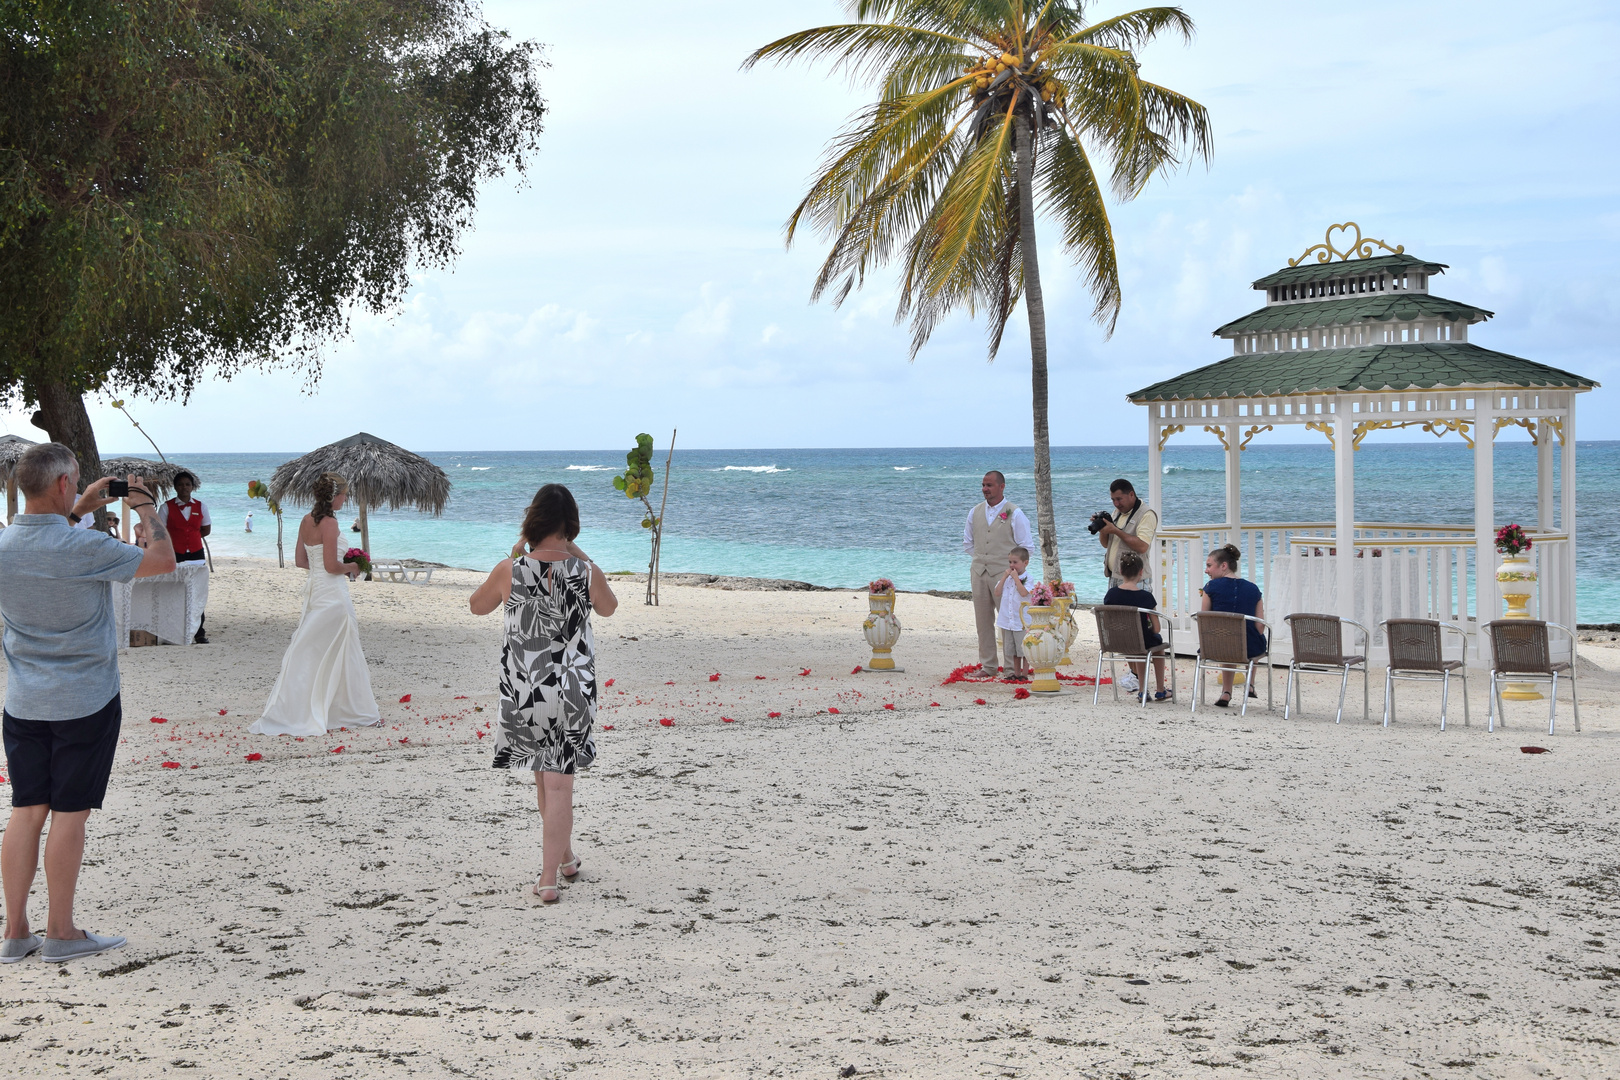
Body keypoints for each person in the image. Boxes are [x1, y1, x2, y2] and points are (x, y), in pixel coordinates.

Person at [0, 444, 176, 963]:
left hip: (25, 699)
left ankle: (15, 932)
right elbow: (162, 560)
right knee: (69, 814)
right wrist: (144, 506)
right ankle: (61, 932)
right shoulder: (84, 549)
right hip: (85, 699)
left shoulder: (5, 543)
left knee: (27, 810)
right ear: (60, 484)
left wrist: (77, 510)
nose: (79, 490)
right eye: (74, 484)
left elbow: (46, 534)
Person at [470, 484, 616, 904]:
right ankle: (557, 866)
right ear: (570, 524)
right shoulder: (585, 573)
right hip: (573, 688)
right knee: (556, 784)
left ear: (532, 519)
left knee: (544, 778)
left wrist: (514, 554)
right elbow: (608, 608)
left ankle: (555, 869)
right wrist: (582, 556)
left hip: (525, 688)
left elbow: (477, 606)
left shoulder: (510, 570)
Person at [251, 473, 380, 736]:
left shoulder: (306, 521)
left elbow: (301, 560)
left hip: (315, 594)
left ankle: (312, 708)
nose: (346, 499)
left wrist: (324, 569)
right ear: (335, 496)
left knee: (311, 650)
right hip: (333, 595)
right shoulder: (330, 523)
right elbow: (332, 566)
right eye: (345, 494)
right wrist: (353, 566)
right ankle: (352, 712)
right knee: (344, 652)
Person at [964, 470, 1034, 678]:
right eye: (983, 485)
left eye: (989, 485)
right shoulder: (974, 512)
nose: (985, 489)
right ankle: (988, 666)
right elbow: (968, 543)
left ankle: (1012, 669)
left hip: (1005, 575)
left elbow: (1026, 547)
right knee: (982, 621)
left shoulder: (1015, 513)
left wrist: (1014, 570)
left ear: (1001, 486)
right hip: (979, 571)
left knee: (1010, 620)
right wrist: (982, 558)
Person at [1199, 544, 1266, 707]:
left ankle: (1226, 692)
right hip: (1249, 648)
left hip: (1217, 647)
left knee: (1226, 637)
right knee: (1254, 636)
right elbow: (1260, 627)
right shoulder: (1253, 589)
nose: (1206, 570)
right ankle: (1249, 684)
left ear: (1223, 566)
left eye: (1209, 565)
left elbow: (1204, 621)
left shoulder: (1210, 587)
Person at [1103, 551, 1169, 702]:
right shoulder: (1146, 597)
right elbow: (1157, 628)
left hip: (1116, 641)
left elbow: (1107, 621)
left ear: (1120, 571)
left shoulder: (1111, 595)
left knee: (1142, 642)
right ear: (1141, 572)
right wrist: (1148, 631)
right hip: (1140, 641)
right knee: (1156, 643)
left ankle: (1143, 690)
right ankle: (1159, 690)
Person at [163, 469, 211, 643]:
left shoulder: (201, 506)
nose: (184, 487)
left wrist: (191, 538)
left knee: (197, 591)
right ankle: (174, 630)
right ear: (175, 487)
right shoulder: (166, 507)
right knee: (175, 589)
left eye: (188, 484)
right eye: (181, 484)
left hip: (196, 554)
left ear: (192, 487)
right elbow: (161, 532)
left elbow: (206, 529)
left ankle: (199, 632)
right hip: (175, 554)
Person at [1096, 478, 1157, 592]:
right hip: (1115, 576)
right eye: (1113, 500)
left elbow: (1142, 546)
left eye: (1119, 499)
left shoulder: (1146, 514)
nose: (1116, 504)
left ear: (1131, 494)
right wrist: (1102, 529)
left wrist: (1115, 531)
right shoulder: (1117, 512)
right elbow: (1105, 544)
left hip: (1136, 581)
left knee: (1136, 610)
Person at [992, 546, 1032, 680]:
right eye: (1010, 562)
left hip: (1021, 620)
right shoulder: (1007, 578)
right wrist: (1004, 577)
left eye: (1015, 562)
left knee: (1024, 650)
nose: (1012, 565)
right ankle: (1016, 673)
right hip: (1008, 620)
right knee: (1013, 650)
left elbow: (1023, 592)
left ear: (1025, 563)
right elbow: (997, 593)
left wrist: (1016, 579)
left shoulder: (1028, 578)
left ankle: (1024, 674)